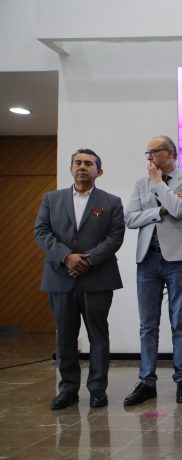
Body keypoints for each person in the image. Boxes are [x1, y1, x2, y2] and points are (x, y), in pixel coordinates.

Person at [34, 148, 125, 410]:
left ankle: (97, 389)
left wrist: (86, 260)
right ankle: (68, 389)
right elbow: (42, 232)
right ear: (71, 168)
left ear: (99, 171)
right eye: (77, 163)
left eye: (88, 163)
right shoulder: (51, 199)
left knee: (98, 335)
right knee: (65, 336)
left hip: (98, 277)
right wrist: (67, 257)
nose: (82, 167)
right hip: (60, 277)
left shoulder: (111, 202)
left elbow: (115, 236)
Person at [123, 135, 182, 406]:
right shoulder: (140, 183)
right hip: (147, 260)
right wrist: (159, 210)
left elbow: (180, 209)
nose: (149, 158)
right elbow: (130, 218)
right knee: (148, 325)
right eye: (147, 153)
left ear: (170, 153)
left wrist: (158, 185)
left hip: (178, 260)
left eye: (153, 152)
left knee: (179, 322)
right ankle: (147, 382)